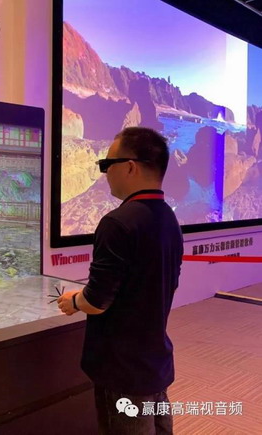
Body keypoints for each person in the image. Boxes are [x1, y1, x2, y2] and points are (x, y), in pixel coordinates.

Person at [57, 127, 183, 435]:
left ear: (130, 167)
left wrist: (74, 301)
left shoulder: (117, 222)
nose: (104, 174)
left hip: (121, 366)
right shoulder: (169, 218)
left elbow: (97, 301)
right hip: (154, 360)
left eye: (106, 164)